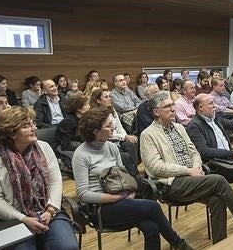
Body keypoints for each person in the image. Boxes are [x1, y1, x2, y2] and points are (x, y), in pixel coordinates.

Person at [140, 91, 233, 244]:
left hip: (192, 177)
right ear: (156, 112)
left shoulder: (179, 128)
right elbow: (156, 167)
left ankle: (220, 243)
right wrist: (188, 171)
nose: (173, 109)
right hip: (171, 183)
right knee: (219, 180)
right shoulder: (148, 135)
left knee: (217, 199)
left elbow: (194, 151)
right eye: (167, 106)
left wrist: (196, 167)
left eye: (173, 105)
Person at [72, 107, 193, 250]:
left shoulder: (111, 147)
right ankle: (179, 244)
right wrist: (117, 198)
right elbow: (83, 194)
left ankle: (179, 245)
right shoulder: (81, 155)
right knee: (153, 206)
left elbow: (124, 178)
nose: (113, 128)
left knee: (152, 228)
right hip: (99, 209)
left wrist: (130, 193)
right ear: (95, 132)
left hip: (123, 200)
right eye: (108, 125)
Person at [0, 107, 79, 250]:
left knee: (67, 247)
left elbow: (55, 181)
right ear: (11, 133)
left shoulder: (43, 147)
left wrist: (50, 210)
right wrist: (24, 219)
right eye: (26, 126)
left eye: (33, 123)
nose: (34, 128)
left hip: (47, 210)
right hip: (13, 218)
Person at [90, 89, 139, 173]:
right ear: (98, 100)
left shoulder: (111, 109)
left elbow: (119, 126)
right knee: (124, 155)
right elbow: (107, 133)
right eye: (106, 97)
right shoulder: (95, 114)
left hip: (118, 138)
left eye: (110, 96)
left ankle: (133, 173)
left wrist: (126, 136)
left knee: (132, 144)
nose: (109, 99)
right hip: (107, 141)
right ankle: (124, 174)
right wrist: (124, 137)